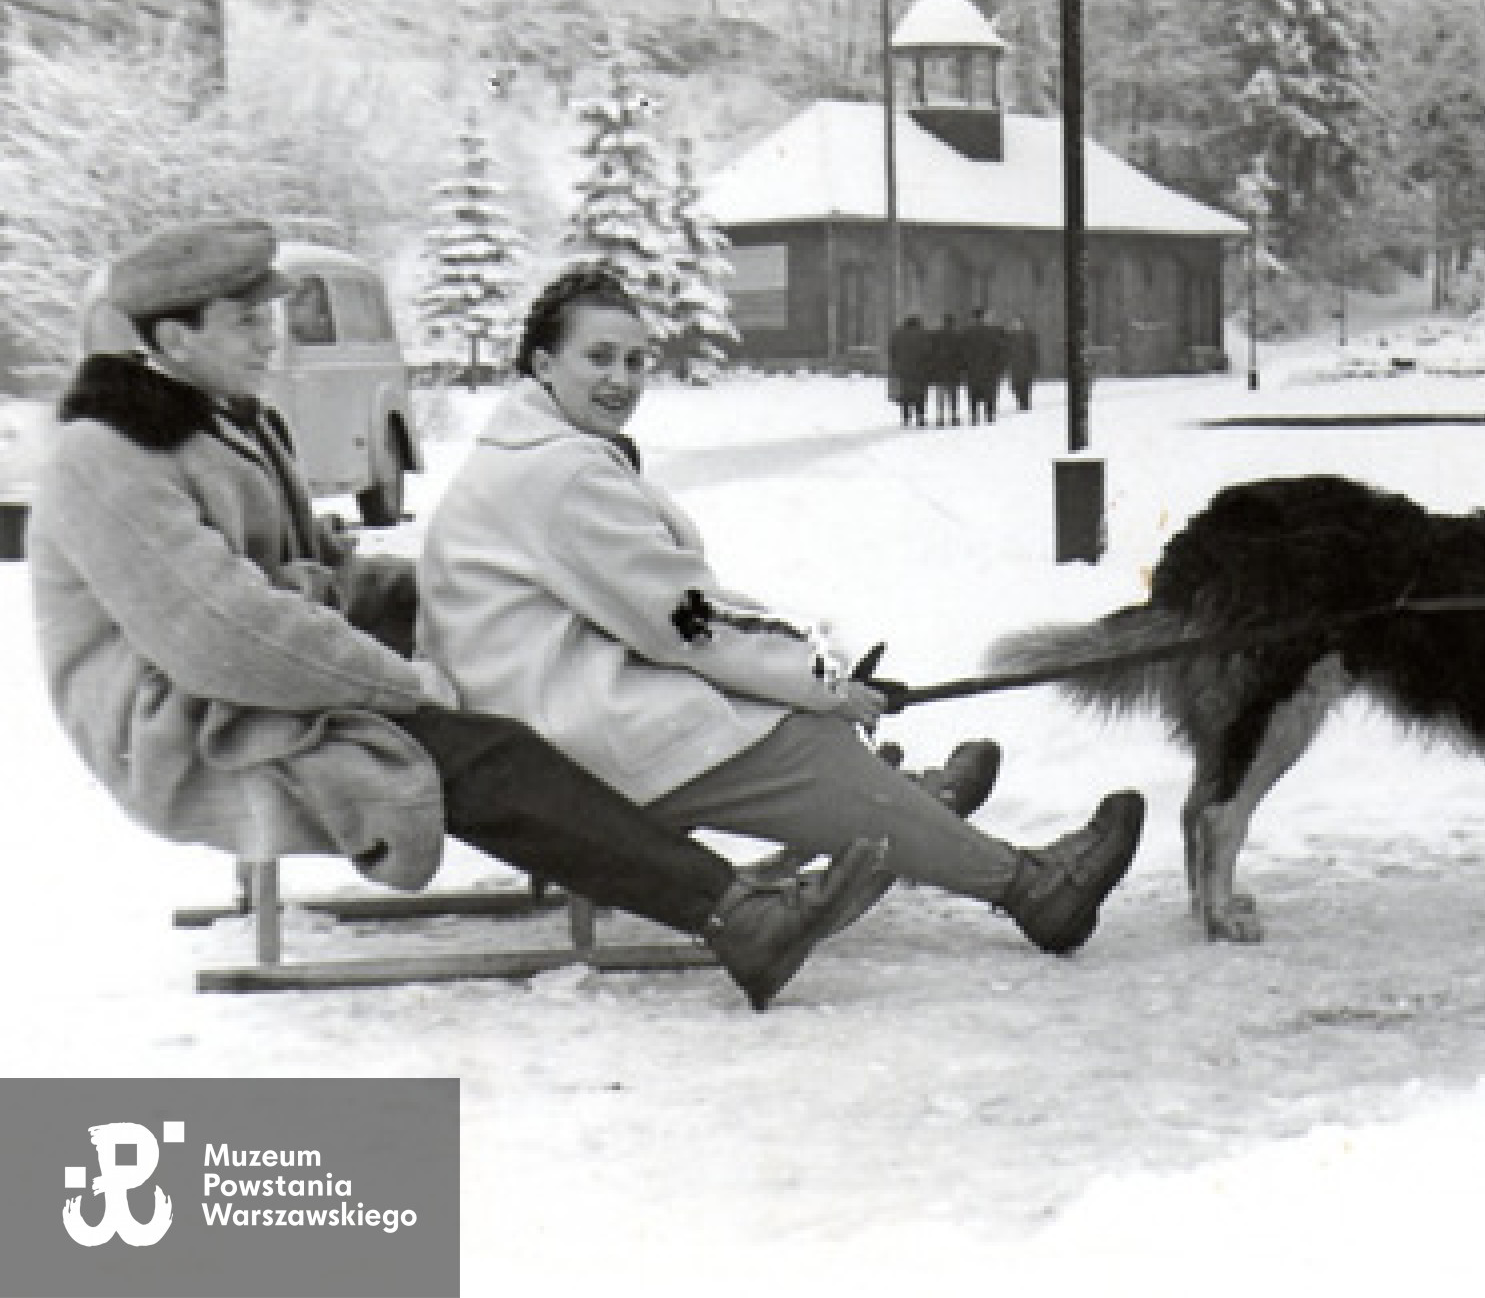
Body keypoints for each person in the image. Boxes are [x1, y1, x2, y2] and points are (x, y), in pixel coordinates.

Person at [27, 217, 882, 1010]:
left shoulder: (232, 421)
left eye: (270, 316)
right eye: (246, 322)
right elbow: (228, 635)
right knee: (477, 748)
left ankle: (820, 805)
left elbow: (326, 574)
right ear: (173, 340)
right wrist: (402, 684)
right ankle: (736, 915)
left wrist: (463, 586)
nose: (270, 338)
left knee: (539, 644)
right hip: (185, 723)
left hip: (254, 681)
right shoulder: (107, 456)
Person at [416, 267, 1144, 963]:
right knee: (798, 740)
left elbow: (667, 607)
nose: (621, 380)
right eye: (598, 357)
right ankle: (1027, 885)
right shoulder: (563, 472)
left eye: (636, 361)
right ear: (543, 364)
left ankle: (910, 816)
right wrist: (821, 679)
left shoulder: (534, 452)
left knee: (785, 717)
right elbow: (686, 620)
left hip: (537, 703)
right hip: (558, 733)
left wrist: (810, 670)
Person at [962, 307, 1007, 425]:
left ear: (973, 318)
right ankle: (990, 415)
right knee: (989, 393)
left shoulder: (967, 333)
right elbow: (1000, 351)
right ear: (983, 317)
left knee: (973, 393)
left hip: (972, 370)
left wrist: (964, 368)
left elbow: (962, 352)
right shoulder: (992, 332)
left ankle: (974, 416)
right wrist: (998, 368)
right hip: (989, 370)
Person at [886, 314, 930, 428]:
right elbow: (928, 352)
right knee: (920, 394)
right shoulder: (923, 335)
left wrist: (896, 365)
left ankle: (906, 417)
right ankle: (920, 417)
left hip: (902, 370)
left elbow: (891, 352)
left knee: (905, 395)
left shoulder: (897, 335)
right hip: (919, 370)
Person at [928, 312, 964, 426]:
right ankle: (954, 416)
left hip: (939, 369)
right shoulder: (958, 336)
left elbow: (931, 352)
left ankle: (940, 417)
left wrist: (932, 367)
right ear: (953, 323)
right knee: (953, 394)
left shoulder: (936, 335)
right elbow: (961, 354)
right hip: (953, 369)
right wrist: (961, 368)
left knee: (940, 394)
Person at [1004, 314, 1038, 411]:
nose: (1016, 324)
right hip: (1014, 366)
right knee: (1015, 386)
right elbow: (1006, 351)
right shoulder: (1009, 336)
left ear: (1022, 323)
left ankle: (1025, 405)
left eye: (1018, 322)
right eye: (1014, 322)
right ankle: (1020, 403)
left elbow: (1034, 351)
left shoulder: (1029, 335)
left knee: (1025, 386)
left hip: (1026, 365)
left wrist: (1034, 365)